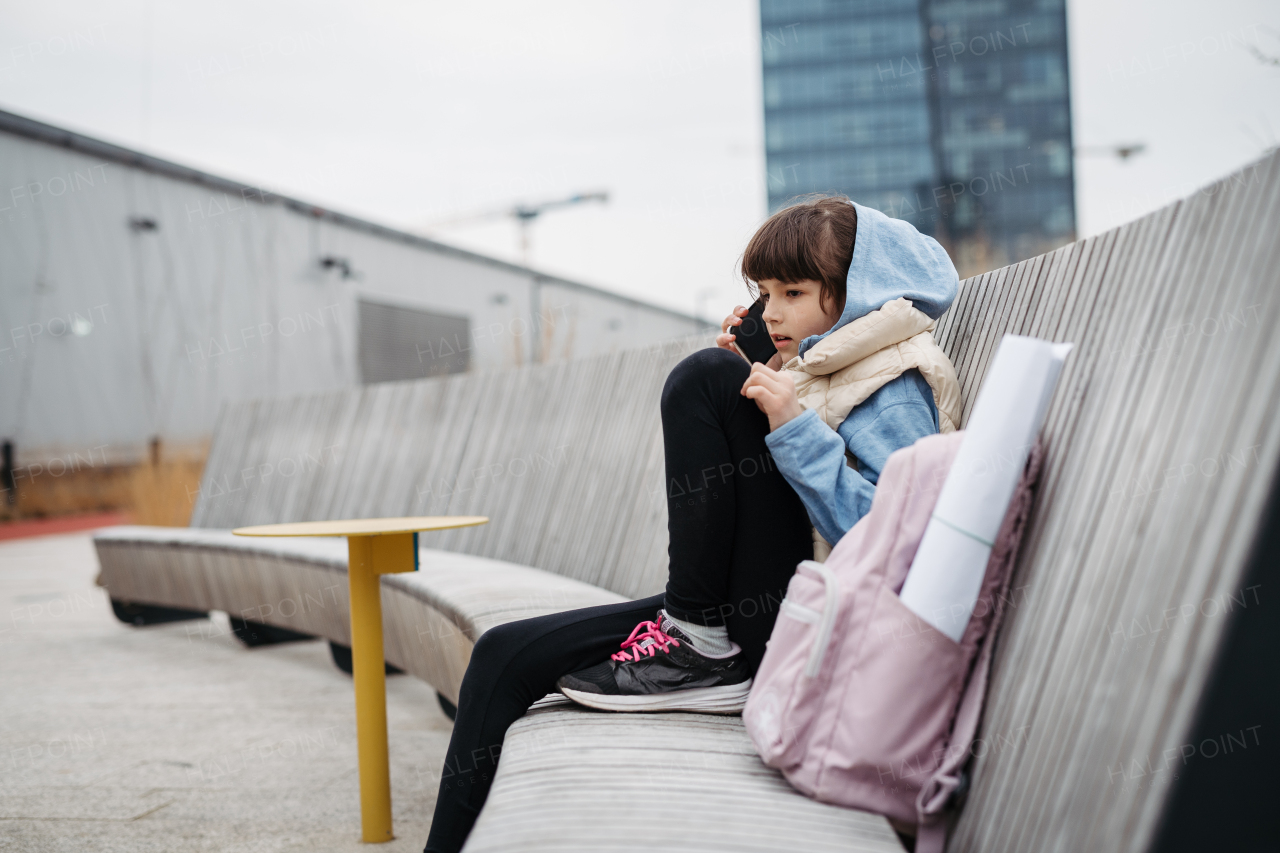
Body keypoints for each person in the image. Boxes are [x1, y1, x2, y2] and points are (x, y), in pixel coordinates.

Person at [423, 195, 962, 853]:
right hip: (762, 614)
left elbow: (893, 541)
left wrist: (791, 427)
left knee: (706, 376)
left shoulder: (891, 383)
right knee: (503, 654)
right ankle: (695, 632)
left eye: (793, 291)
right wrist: (768, 374)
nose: (772, 310)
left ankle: (698, 640)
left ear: (856, 292)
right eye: (765, 293)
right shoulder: (822, 367)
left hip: (816, 636)